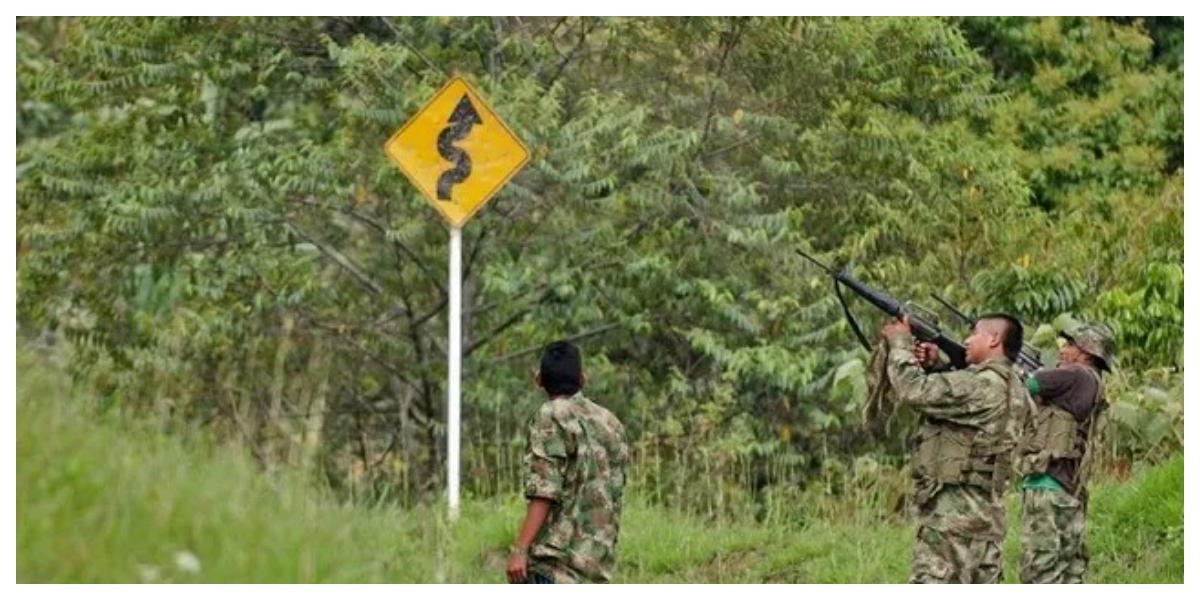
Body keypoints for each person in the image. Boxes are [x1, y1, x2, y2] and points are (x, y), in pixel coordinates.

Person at [882, 313, 1035, 584]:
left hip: (951, 524)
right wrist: (938, 367)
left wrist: (900, 343)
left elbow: (913, 390)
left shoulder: (981, 383)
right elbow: (961, 409)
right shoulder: (1016, 388)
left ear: (994, 339)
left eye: (974, 333)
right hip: (987, 522)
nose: (967, 340)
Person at [506, 340, 630, 584]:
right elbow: (615, 490)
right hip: (596, 569)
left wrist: (519, 550)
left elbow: (544, 490)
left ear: (539, 379)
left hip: (555, 567)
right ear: (582, 380)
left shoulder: (550, 415)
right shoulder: (611, 423)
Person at [1018, 321, 1115, 584]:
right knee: (1067, 573)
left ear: (1088, 354)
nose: (1063, 349)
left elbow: (1027, 384)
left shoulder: (1076, 375)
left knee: (1039, 574)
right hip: (1067, 489)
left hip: (1048, 485)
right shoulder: (1092, 383)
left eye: (1071, 345)